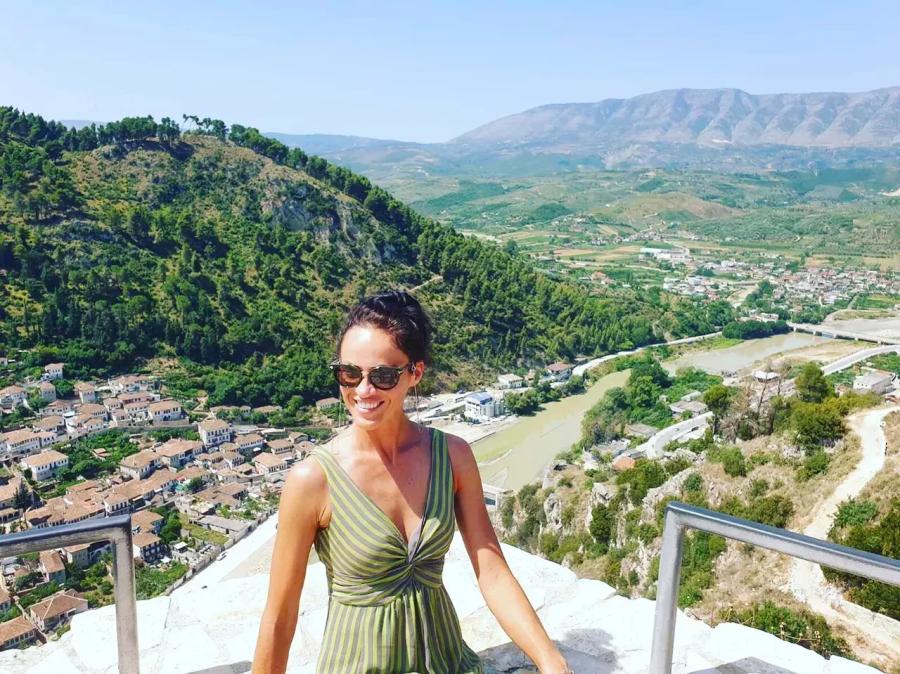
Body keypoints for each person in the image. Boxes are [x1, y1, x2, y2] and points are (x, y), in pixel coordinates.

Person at [252, 291, 571, 674]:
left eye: (383, 376)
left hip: (449, 664)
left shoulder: (452, 457)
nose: (363, 390)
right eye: (350, 373)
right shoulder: (313, 480)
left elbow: (493, 573)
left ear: (415, 373)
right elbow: (280, 613)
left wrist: (551, 662)